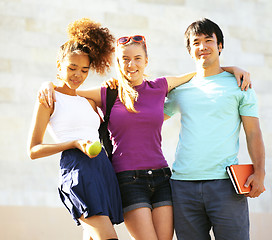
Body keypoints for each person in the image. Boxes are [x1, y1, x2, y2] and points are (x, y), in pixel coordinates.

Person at [38, 34, 251, 240]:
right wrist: (47, 84)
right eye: (125, 59)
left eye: (137, 58)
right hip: (128, 179)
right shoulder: (108, 93)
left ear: (146, 60)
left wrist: (231, 69)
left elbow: (198, 74)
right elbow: (69, 92)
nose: (132, 64)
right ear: (118, 64)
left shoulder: (160, 87)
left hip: (161, 177)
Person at [164, 18, 265, 240]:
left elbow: (253, 132)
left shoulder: (241, 85)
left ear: (220, 46)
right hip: (182, 185)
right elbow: (151, 119)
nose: (203, 47)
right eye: (196, 42)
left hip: (226, 184)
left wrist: (260, 172)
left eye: (209, 40)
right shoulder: (180, 90)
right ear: (189, 50)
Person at [27, 18, 123, 240]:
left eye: (84, 70)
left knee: (91, 236)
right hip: (78, 169)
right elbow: (33, 150)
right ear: (59, 64)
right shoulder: (48, 98)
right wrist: (73, 143)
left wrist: (111, 87)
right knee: (108, 237)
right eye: (72, 68)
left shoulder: (87, 100)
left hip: (102, 167)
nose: (78, 75)